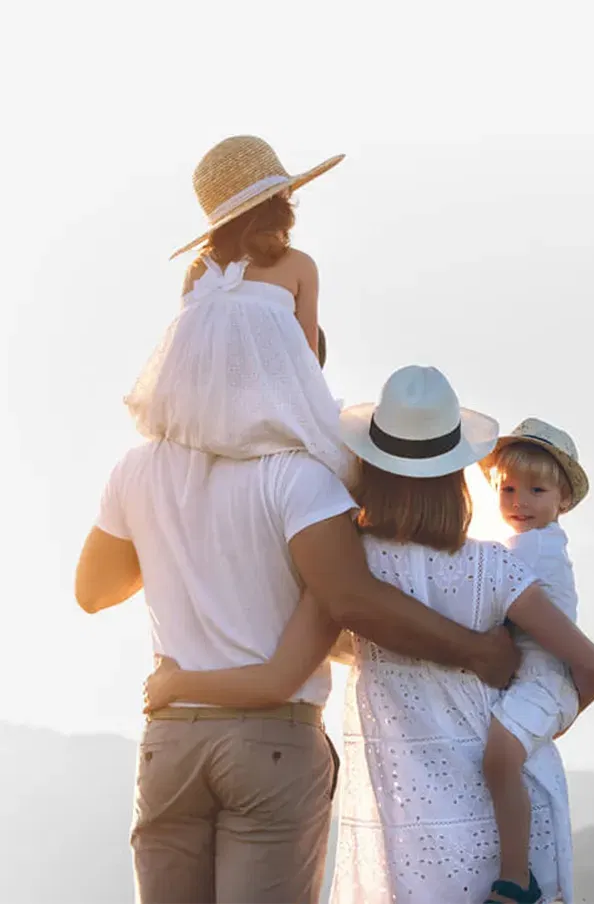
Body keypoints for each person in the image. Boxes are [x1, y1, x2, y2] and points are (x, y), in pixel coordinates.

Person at [143, 366, 594, 904]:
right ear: (459, 472)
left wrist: (178, 683)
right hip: (509, 833)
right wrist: (543, 725)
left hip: (409, 837)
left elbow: (287, 671)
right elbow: (591, 665)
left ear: (369, 466)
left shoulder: (350, 576)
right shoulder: (498, 571)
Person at [75, 384, 520, 903]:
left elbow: (92, 591)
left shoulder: (139, 469)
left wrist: (172, 530)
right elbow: (347, 604)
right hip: (274, 743)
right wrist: (476, 651)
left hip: (171, 740)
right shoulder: (304, 479)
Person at [124, 134, 351, 478]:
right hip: (276, 417)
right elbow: (306, 366)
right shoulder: (299, 266)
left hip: (203, 423)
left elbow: (196, 359)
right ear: (278, 202)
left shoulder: (198, 273)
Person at [477, 419, 588, 902]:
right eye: (508, 489)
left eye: (536, 490)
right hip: (536, 678)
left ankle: (516, 879)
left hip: (544, 679)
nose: (519, 502)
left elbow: (491, 600)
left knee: (500, 758)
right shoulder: (536, 544)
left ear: (562, 499)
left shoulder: (532, 548)